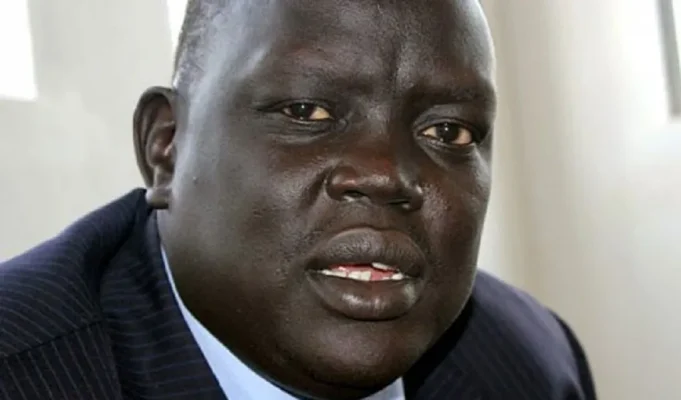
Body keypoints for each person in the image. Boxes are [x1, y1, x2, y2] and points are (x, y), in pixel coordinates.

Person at [0, 0, 597, 399]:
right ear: (168, 147)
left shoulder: (531, 367)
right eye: (307, 112)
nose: (386, 175)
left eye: (448, 131)